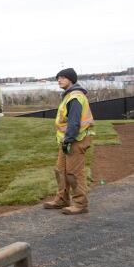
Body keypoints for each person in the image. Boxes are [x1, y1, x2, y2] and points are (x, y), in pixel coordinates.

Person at [43, 68, 95, 215]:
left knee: (74, 173)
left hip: (76, 140)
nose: (59, 80)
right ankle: (62, 199)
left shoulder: (75, 97)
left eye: (63, 78)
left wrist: (69, 139)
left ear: (71, 79)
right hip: (67, 140)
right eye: (58, 78)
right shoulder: (68, 96)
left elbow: (74, 122)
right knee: (60, 170)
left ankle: (80, 204)